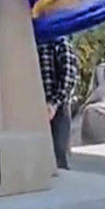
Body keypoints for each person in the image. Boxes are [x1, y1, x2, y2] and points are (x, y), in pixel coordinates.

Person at [37, 36, 78, 169]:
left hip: (57, 106)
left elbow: (69, 77)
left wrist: (54, 103)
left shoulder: (60, 44)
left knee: (58, 151)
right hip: (37, 105)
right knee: (41, 153)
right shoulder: (35, 43)